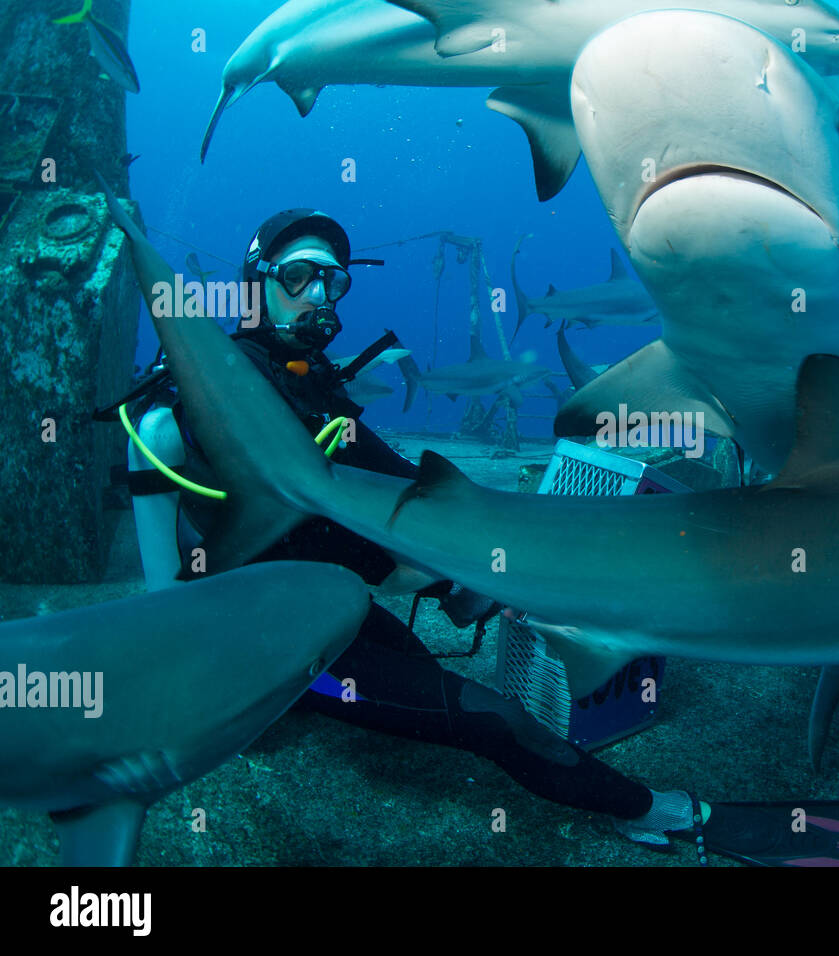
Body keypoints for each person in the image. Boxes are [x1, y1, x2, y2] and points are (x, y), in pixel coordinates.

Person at [121, 210, 697, 850]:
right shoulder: (172, 424)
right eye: (296, 277)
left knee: (424, 675)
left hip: (330, 605)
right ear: (254, 284)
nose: (316, 296)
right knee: (495, 720)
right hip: (263, 644)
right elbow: (163, 597)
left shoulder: (320, 399)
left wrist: (478, 577)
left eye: (332, 283)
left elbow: (417, 497)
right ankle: (647, 808)